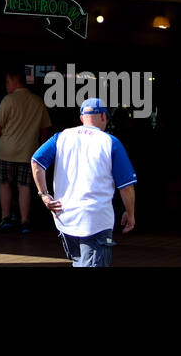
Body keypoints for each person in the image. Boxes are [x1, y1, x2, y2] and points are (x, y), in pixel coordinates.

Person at [30, 98, 137, 268]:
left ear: (82, 118)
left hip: (66, 220)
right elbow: (126, 187)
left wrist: (44, 194)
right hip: (95, 221)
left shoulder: (62, 137)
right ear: (103, 116)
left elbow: (36, 161)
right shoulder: (110, 142)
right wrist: (130, 214)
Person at [0, 69, 52, 233]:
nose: (6, 86)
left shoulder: (8, 100)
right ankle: (25, 221)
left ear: (15, 82)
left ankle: (6, 218)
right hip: (29, 152)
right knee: (25, 186)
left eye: (7, 82)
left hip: (6, 151)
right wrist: (43, 150)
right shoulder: (37, 101)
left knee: (5, 184)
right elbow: (45, 130)